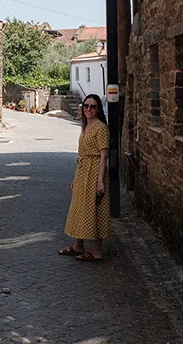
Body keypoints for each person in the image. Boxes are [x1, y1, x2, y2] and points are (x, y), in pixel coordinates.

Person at [58, 94, 110, 261]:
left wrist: (100, 181)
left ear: (98, 109)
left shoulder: (101, 128)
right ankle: (78, 246)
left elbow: (103, 157)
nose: (89, 109)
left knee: (95, 209)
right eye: (86, 106)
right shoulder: (86, 126)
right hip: (83, 172)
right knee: (80, 207)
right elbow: (82, 155)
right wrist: (76, 177)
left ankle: (96, 252)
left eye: (93, 106)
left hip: (95, 172)